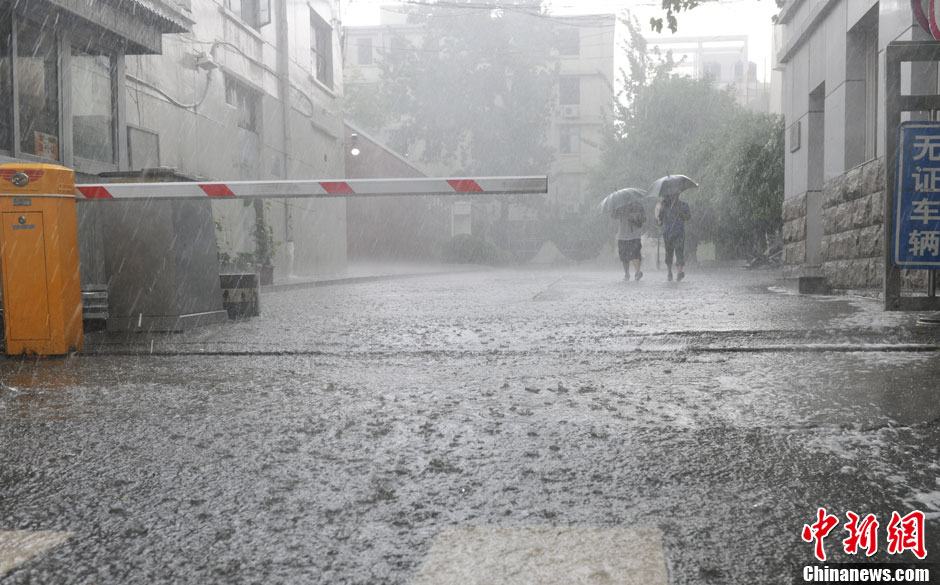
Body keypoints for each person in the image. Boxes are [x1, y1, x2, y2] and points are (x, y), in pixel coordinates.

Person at [656, 193, 692, 281]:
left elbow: (688, 217)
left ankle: (679, 272)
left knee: (679, 252)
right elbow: (659, 220)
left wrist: (680, 213)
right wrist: (662, 209)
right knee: (669, 253)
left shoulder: (683, 205)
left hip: (679, 233)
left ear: (678, 195)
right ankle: (669, 272)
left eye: (675, 195)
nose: (673, 197)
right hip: (668, 233)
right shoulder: (665, 206)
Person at [614, 199, 646, 281]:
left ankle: (637, 272)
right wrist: (620, 211)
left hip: (635, 235)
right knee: (624, 257)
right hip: (623, 235)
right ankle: (627, 273)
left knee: (635, 254)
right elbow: (614, 216)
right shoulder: (620, 206)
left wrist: (633, 217)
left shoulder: (638, 206)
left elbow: (643, 218)